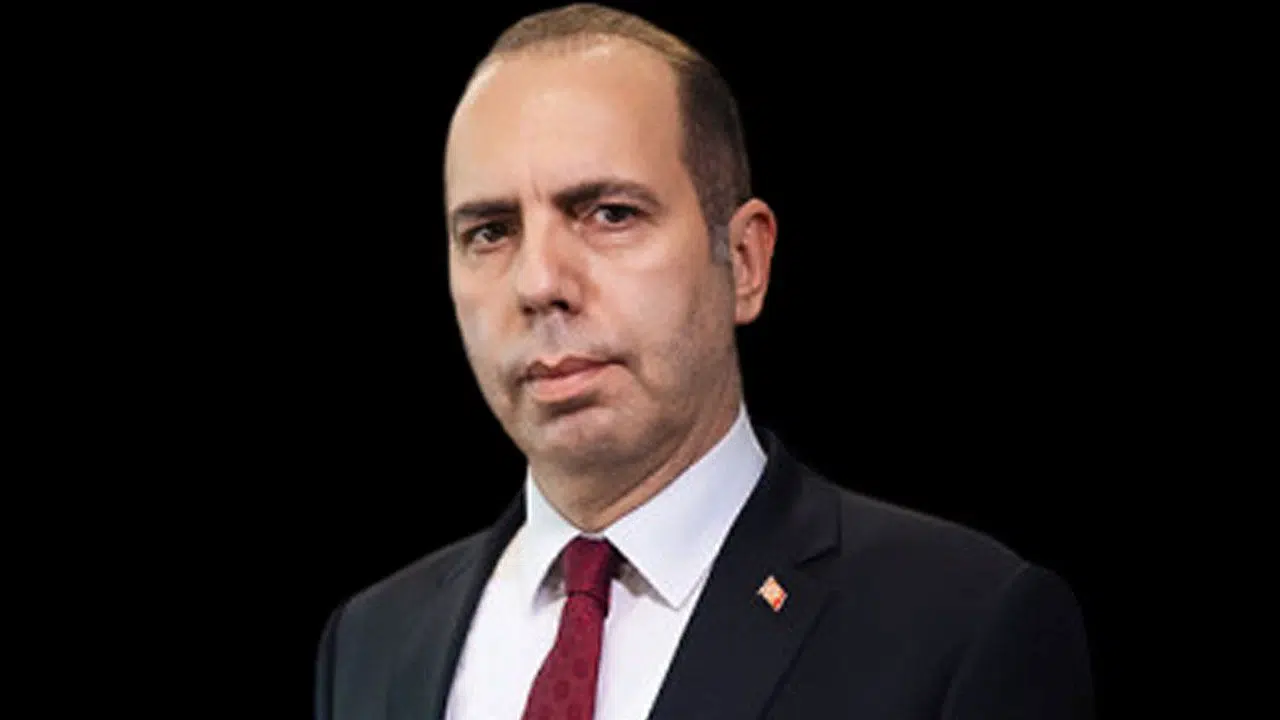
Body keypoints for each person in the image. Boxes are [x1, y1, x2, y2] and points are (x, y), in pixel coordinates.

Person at [314, 4, 1095, 718]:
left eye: (609, 214)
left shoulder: (959, 624)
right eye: (489, 232)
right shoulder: (371, 642)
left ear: (745, 261)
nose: (539, 282)